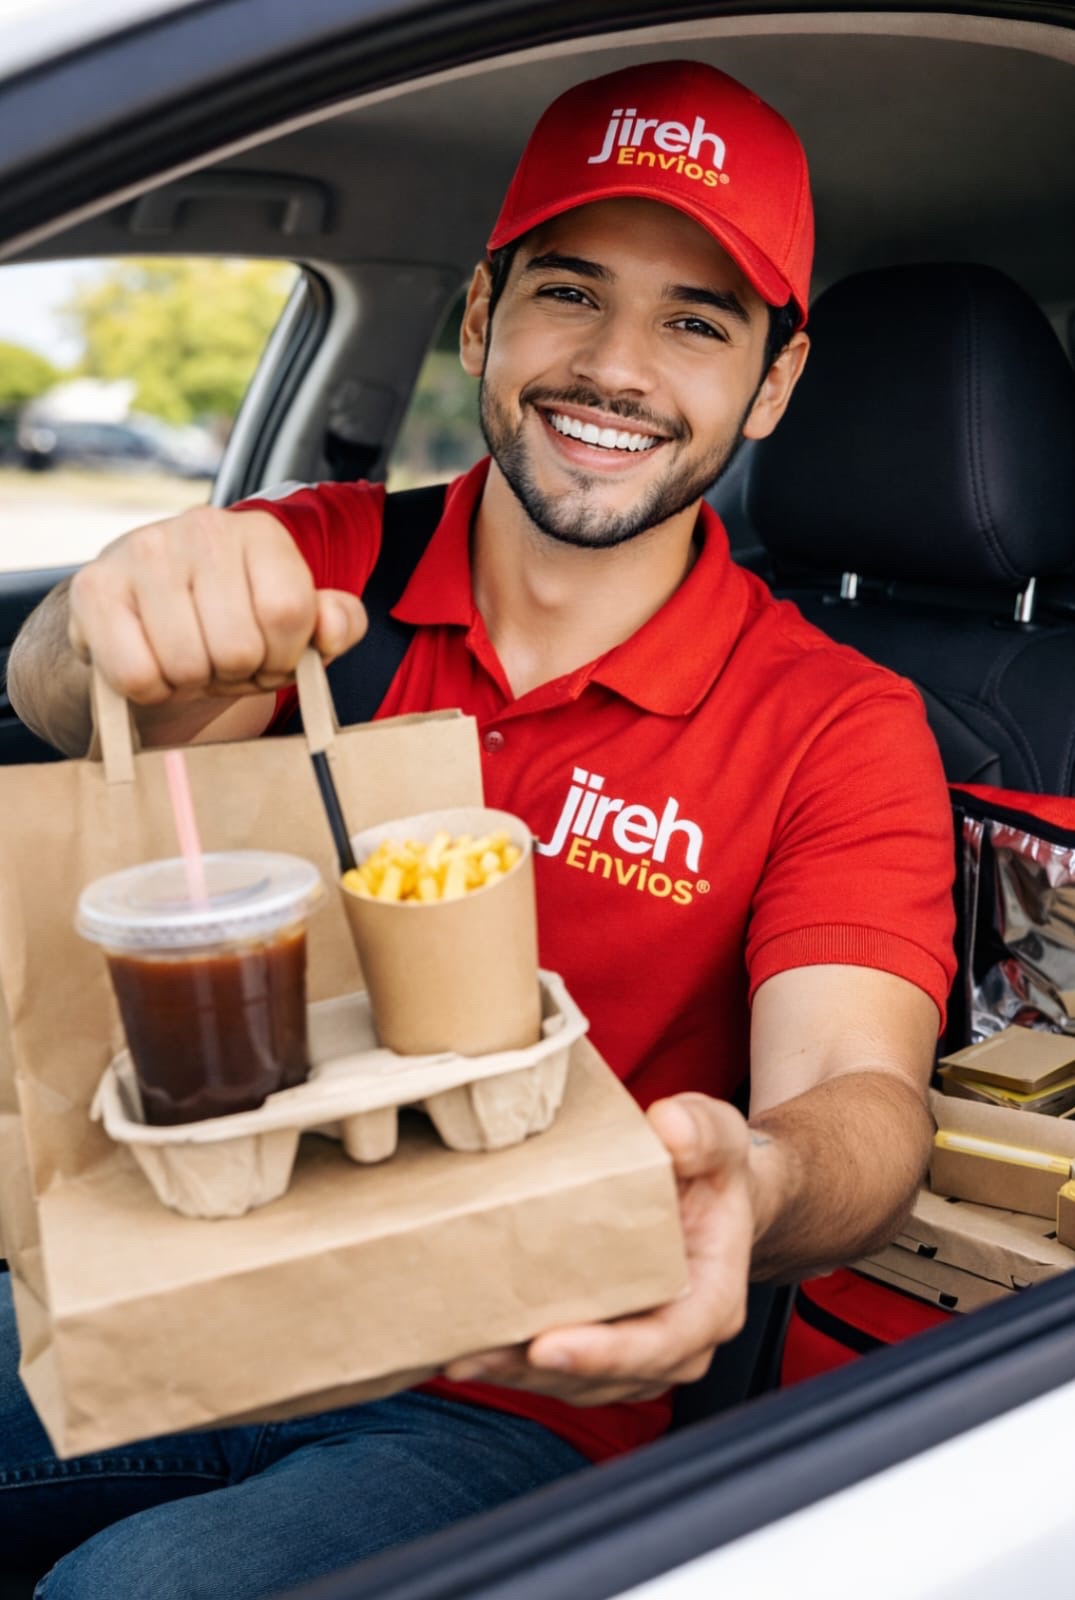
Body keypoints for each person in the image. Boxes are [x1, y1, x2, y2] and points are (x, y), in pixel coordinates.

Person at [4, 58, 955, 1600]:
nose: (615, 367)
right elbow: (68, 685)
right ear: (479, 318)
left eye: (696, 322)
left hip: (507, 1386)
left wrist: (761, 1180)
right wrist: (102, 611)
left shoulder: (835, 723)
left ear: (774, 384)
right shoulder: (319, 561)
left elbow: (859, 1097)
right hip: (197, 1276)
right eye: (570, 293)